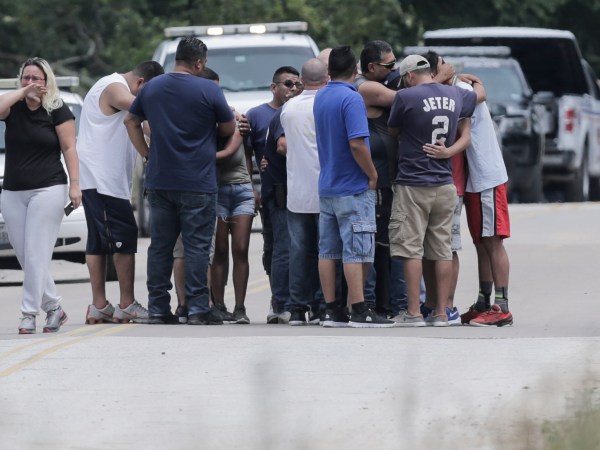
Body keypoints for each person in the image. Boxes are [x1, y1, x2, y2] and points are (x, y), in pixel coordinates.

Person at [124, 36, 236, 326]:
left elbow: (131, 121)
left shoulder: (151, 87)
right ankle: (198, 308)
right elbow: (227, 126)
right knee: (197, 247)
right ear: (199, 63)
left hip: (161, 179)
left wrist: (147, 154)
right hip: (197, 179)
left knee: (160, 246)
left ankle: (159, 308)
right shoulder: (208, 89)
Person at [388, 54, 481, 327]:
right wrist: (473, 80)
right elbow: (477, 97)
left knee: (411, 249)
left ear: (407, 77)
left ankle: (415, 312)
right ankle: (442, 312)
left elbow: (393, 131)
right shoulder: (455, 94)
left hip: (412, 183)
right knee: (441, 249)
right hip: (445, 183)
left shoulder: (405, 97)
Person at [313, 45, 394, 328]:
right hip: (353, 186)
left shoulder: (320, 96)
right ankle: (359, 309)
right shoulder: (352, 99)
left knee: (328, 252)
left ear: (329, 70)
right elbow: (357, 143)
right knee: (357, 250)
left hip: (328, 186)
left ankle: (330, 309)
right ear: (356, 70)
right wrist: (372, 175)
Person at [78, 61, 164, 325]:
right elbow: (142, 109)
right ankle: (126, 304)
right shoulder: (114, 87)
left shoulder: (113, 86)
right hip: (104, 181)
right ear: (140, 84)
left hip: (101, 179)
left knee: (98, 241)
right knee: (123, 238)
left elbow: (145, 123)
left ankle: (99, 306)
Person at [0, 57, 81, 334]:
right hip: (12, 190)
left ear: (47, 81)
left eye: (37, 78)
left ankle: (28, 314)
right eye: (26, 78)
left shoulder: (57, 109)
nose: (32, 82)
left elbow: (69, 148)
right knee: (25, 255)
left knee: (36, 252)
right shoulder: (13, 107)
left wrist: (75, 185)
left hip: (48, 187)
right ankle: (55, 307)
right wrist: (23, 93)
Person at [243, 66, 302, 323]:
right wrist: (251, 187)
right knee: (274, 248)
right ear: (274, 87)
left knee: (293, 247)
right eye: (288, 83)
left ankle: (289, 299)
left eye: (297, 84)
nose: (292, 89)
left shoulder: (300, 112)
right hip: (271, 190)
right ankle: (278, 300)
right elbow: (246, 153)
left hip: (299, 188)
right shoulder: (256, 115)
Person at [204, 68, 255, 325]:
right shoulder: (201, 120)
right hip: (217, 190)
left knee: (241, 249)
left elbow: (241, 149)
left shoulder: (233, 115)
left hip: (242, 188)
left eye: (218, 88)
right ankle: (220, 305)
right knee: (220, 250)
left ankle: (240, 307)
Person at [280, 58, 328, 326]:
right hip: (326, 189)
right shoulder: (328, 104)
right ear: (327, 78)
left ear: (301, 80)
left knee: (299, 252)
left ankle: (297, 307)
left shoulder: (289, 108)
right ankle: (322, 306)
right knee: (326, 251)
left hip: (297, 191)